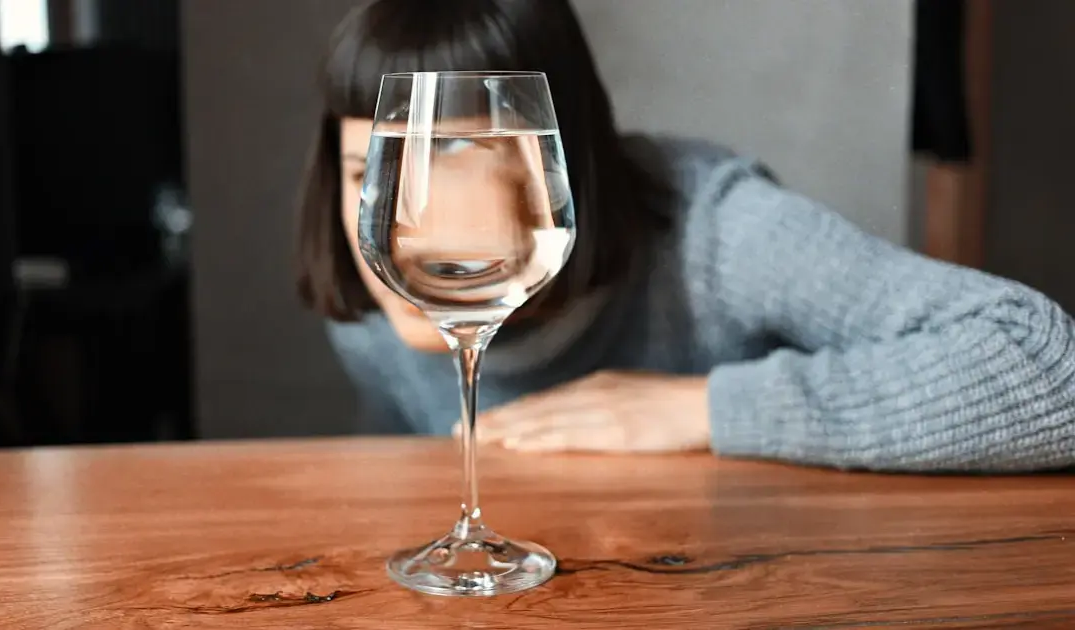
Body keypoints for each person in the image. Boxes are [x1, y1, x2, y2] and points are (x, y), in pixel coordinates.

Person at [295, 0, 1075, 472]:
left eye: (450, 155)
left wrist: (704, 410)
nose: (395, 220)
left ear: (552, 157)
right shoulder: (372, 322)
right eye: (371, 169)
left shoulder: (720, 230)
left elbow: (1047, 368)